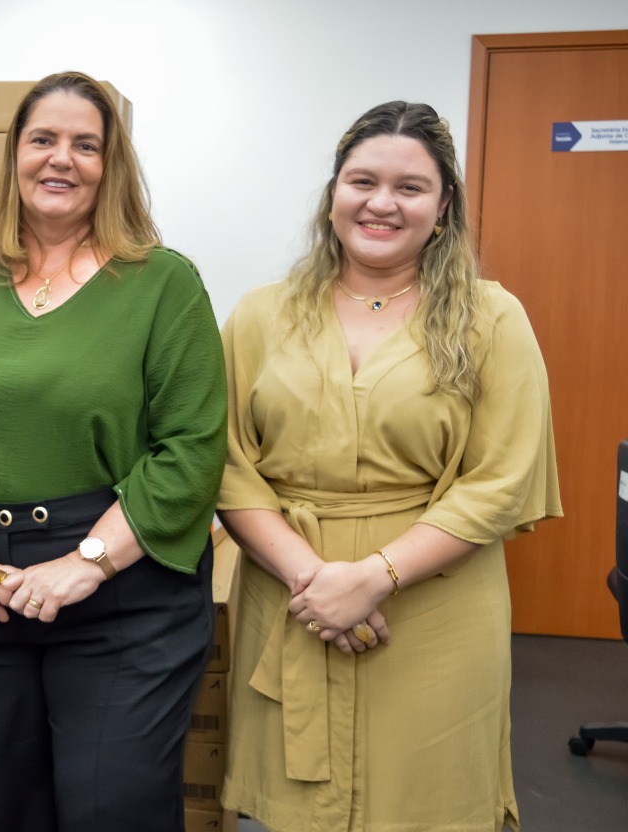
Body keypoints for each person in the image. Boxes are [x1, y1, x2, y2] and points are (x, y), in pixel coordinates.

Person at [0, 71, 227, 832]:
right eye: (44, 139)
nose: (62, 158)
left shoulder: (163, 284)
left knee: (111, 810)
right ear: (15, 155)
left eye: (86, 145)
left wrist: (84, 563)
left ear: (110, 166)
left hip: (122, 591)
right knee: (12, 810)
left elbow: (190, 452)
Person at [218, 101, 562, 831]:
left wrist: (373, 578)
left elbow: (502, 479)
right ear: (333, 194)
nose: (382, 203)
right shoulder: (259, 316)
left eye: (410, 187)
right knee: (289, 813)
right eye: (363, 181)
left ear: (443, 207)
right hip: (291, 596)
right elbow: (225, 463)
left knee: (428, 804)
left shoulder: (491, 319)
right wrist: (315, 582)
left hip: (432, 608)